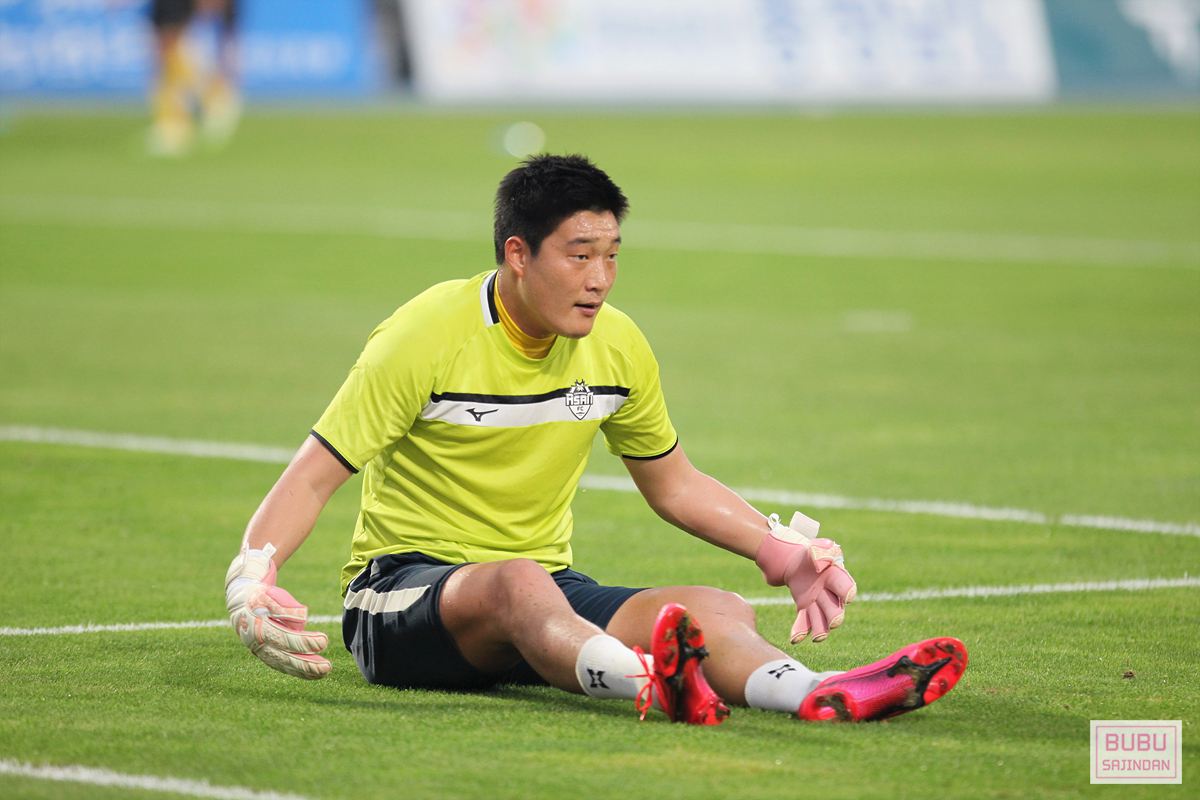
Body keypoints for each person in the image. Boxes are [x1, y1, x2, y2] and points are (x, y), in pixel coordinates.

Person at [225, 154, 967, 724]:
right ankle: (652, 683)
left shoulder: (616, 345)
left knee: (712, 608)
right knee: (518, 581)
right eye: (579, 254)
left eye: (612, 254)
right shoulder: (424, 335)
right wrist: (254, 573)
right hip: (401, 596)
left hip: (544, 599)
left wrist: (782, 553)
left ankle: (814, 691)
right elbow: (313, 474)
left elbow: (674, 483)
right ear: (519, 254)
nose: (601, 278)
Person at [147, 0, 241, 156]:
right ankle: (179, 123)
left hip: (177, 15)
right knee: (170, 63)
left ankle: (183, 123)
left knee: (174, 58)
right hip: (166, 15)